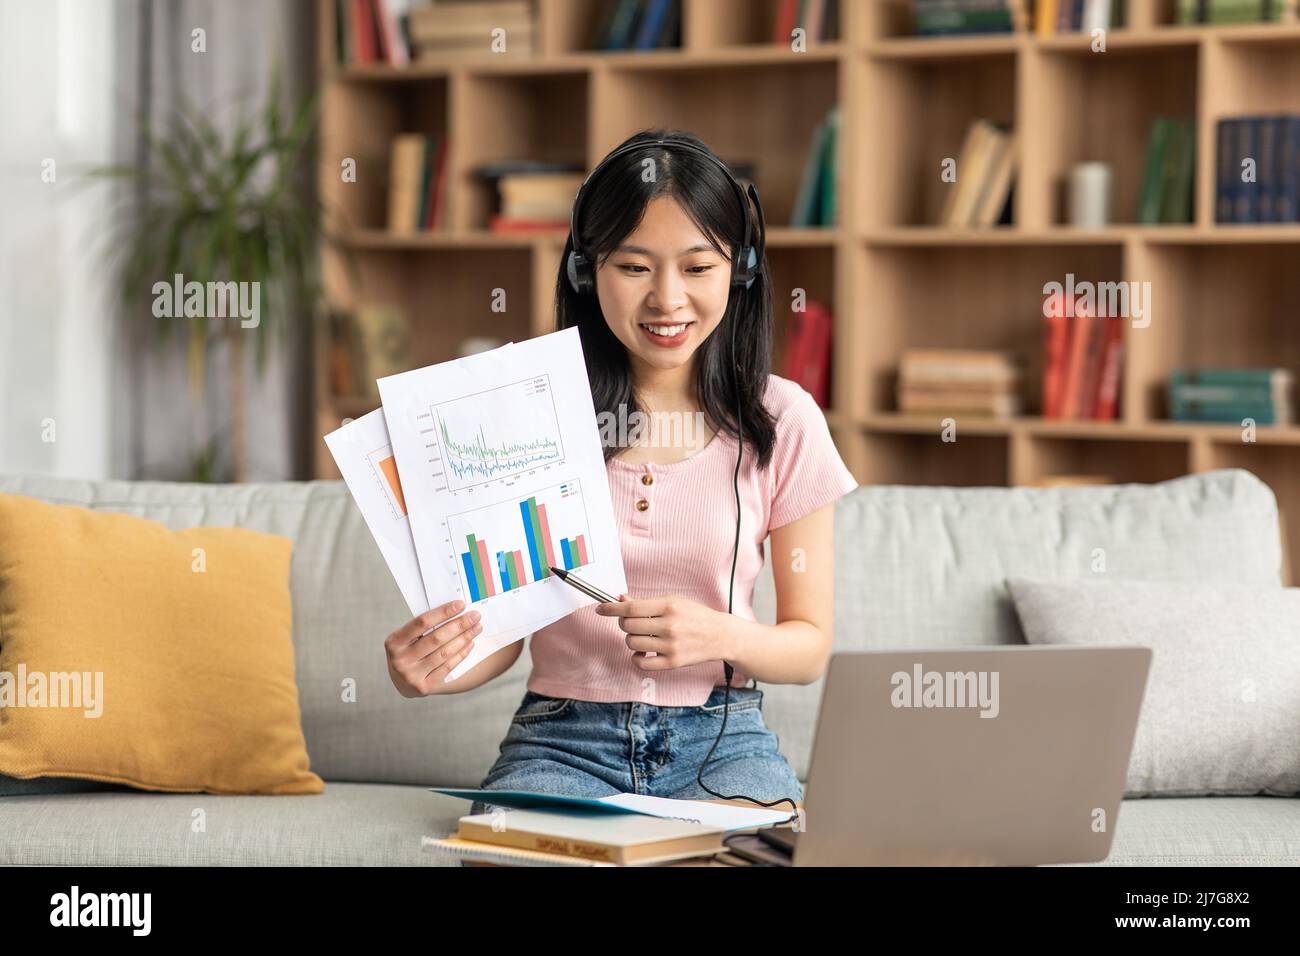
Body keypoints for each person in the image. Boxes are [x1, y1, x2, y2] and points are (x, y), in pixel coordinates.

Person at [382, 129, 858, 817]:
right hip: (562, 739)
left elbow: (809, 647)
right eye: (635, 268)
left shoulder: (783, 419)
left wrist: (719, 635)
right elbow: (503, 640)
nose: (667, 299)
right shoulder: (527, 407)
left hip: (722, 738)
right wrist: (432, 666)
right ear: (587, 271)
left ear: (741, 270)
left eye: (698, 268)